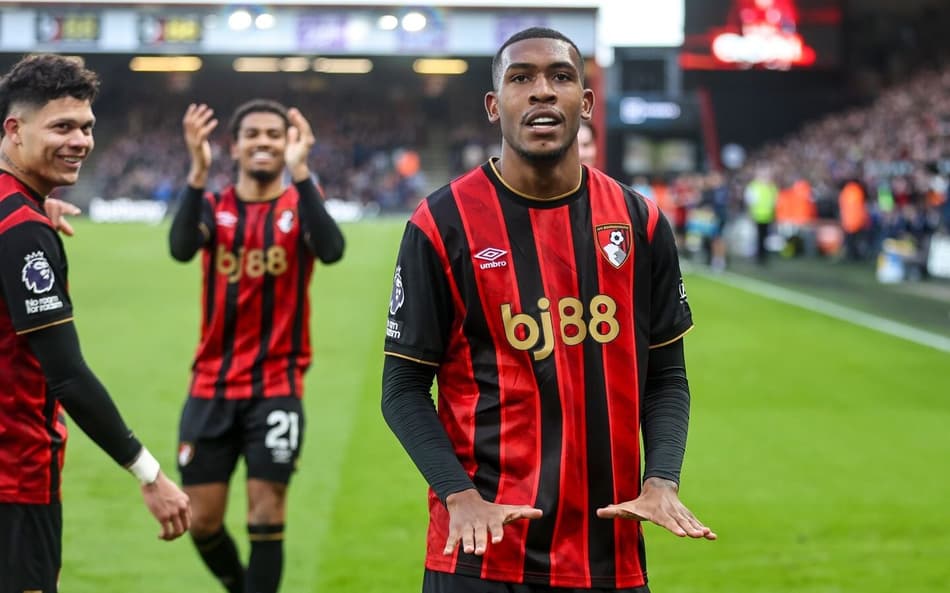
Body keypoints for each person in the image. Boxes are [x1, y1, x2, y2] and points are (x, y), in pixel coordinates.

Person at [381, 27, 715, 593]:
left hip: (606, 558)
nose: (542, 91)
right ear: (495, 105)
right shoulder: (441, 225)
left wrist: (661, 480)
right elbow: (403, 389)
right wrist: (458, 496)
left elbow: (667, 377)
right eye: (521, 78)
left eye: (560, 77)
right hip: (480, 552)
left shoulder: (641, 223)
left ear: (584, 104)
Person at [0, 54, 191, 592]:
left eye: (86, 127)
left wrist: (32, 209)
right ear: (14, 130)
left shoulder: (17, 215)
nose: (80, 141)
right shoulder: (20, 230)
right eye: (61, 127)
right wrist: (149, 473)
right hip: (16, 477)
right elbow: (68, 375)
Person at [168, 99, 345, 593]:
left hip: (276, 386)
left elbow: (331, 250)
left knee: (267, 509)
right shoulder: (213, 205)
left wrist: (302, 171)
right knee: (201, 520)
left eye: (275, 133)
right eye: (253, 134)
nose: (263, 141)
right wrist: (197, 171)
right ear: (235, 145)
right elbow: (181, 248)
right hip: (210, 385)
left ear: (289, 142)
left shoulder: (298, 205)